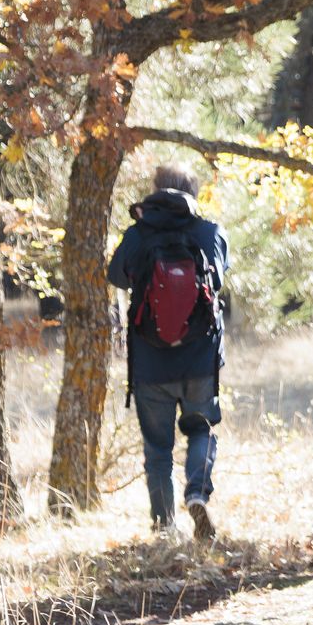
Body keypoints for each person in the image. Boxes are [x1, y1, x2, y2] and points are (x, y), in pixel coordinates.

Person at [107, 165, 230, 539]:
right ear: (193, 192)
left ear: (156, 190)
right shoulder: (209, 232)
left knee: (158, 449)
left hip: (150, 363)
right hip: (199, 360)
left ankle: (164, 528)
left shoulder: (137, 234)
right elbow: (218, 279)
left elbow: (115, 276)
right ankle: (197, 493)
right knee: (201, 429)